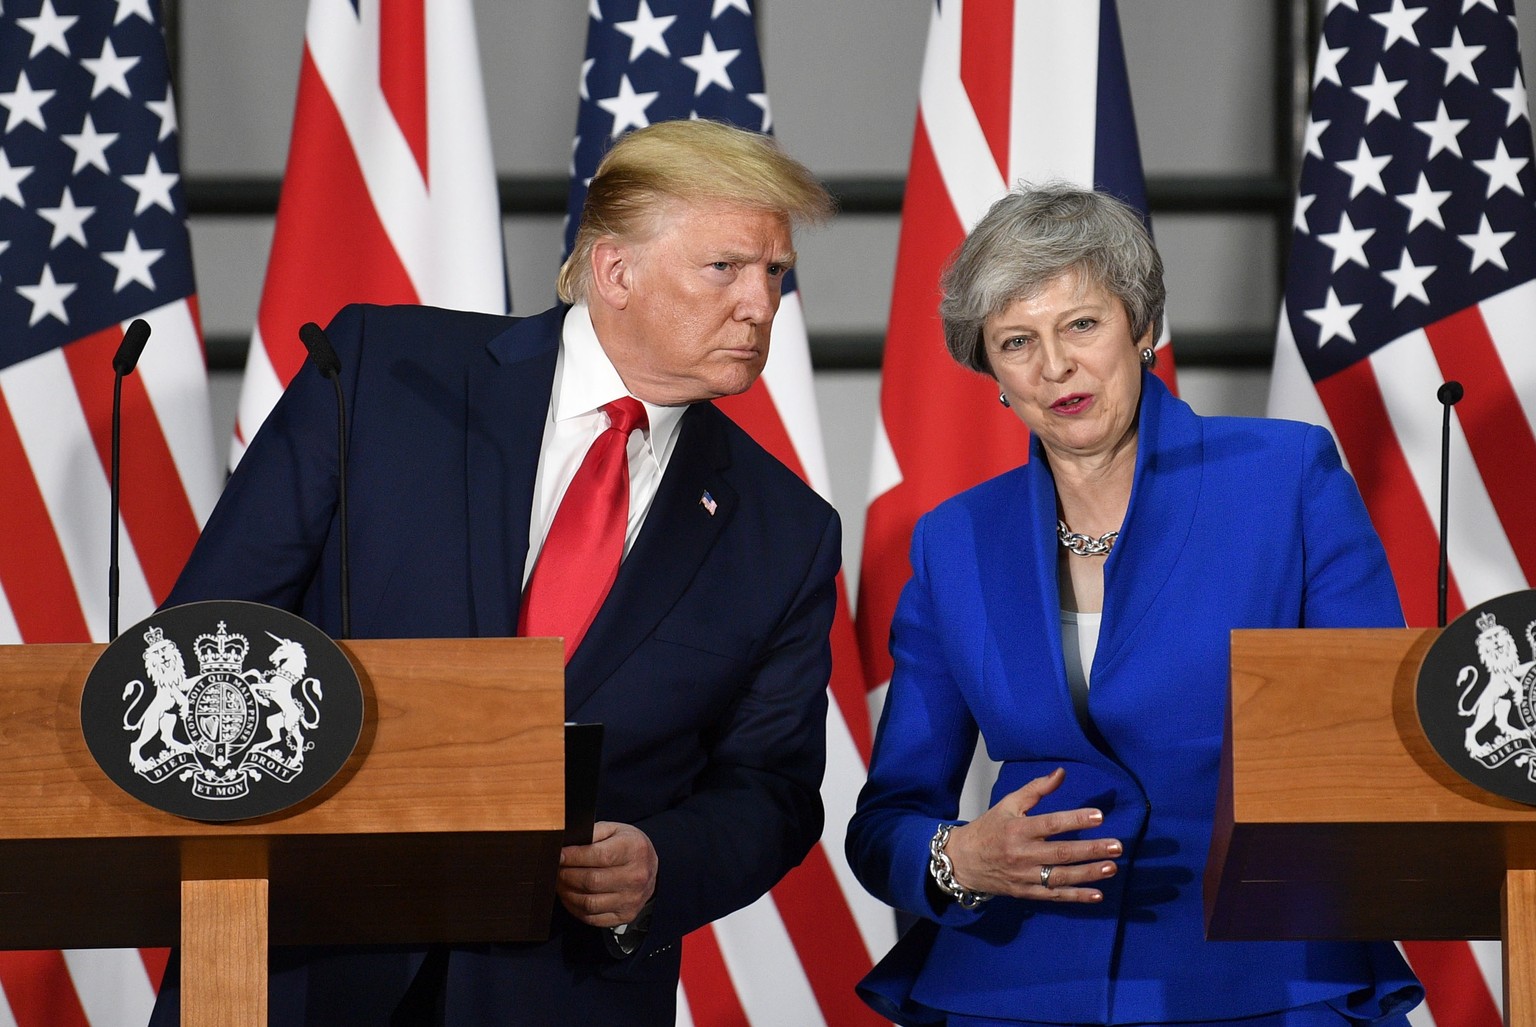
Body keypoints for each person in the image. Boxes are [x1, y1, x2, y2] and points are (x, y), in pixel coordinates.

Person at [151, 119, 838, 1026]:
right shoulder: (380, 376)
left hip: (558, 985)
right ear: (615, 271)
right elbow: (213, 631)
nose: (763, 303)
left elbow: (774, 786)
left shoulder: (785, 530)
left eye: (776, 272)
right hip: (300, 960)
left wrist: (662, 861)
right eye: (727, 267)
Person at [844, 185, 1423, 1027]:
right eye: (1016, 342)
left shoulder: (1283, 477)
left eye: (1081, 324)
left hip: (1266, 972)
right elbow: (887, 820)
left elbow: (1381, 733)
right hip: (1015, 984)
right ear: (993, 375)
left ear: (1141, 328)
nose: (1054, 366)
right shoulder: (954, 541)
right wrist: (961, 855)